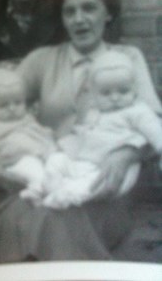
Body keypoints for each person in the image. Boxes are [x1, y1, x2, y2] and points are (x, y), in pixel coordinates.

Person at [0, 0, 162, 263]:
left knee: (56, 217)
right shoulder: (41, 60)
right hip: (48, 178)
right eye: (69, 11)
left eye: (89, 8)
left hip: (101, 188)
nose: (79, 19)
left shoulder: (127, 58)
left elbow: (153, 125)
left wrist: (126, 153)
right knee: (22, 214)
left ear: (107, 13)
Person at [21, 50, 162, 210]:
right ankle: (42, 188)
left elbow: (157, 133)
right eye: (106, 93)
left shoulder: (138, 112)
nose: (115, 98)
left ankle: (64, 198)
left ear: (134, 90)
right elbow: (83, 134)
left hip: (110, 169)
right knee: (56, 161)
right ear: (94, 95)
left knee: (91, 184)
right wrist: (62, 147)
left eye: (123, 91)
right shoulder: (95, 112)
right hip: (85, 162)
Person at [0, 68, 55, 191]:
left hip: (39, 155)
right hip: (13, 162)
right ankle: (40, 189)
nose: (12, 108)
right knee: (33, 170)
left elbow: (41, 133)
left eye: (18, 102)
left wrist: (50, 146)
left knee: (57, 162)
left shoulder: (27, 118)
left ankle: (55, 183)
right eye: (3, 105)